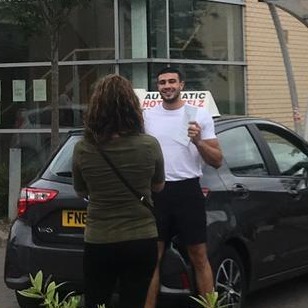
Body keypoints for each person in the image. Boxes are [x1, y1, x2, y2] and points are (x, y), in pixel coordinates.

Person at [72, 74, 165, 308]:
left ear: (95, 107)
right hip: (141, 237)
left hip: (99, 238)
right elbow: (158, 185)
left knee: (97, 300)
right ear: (132, 107)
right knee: (134, 301)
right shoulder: (149, 144)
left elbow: (80, 190)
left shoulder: (84, 148)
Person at [143, 67, 222, 308]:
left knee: (199, 256)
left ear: (182, 85)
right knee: (152, 259)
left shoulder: (198, 115)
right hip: (157, 192)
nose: (167, 86)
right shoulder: (147, 117)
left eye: (171, 82)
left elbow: (217, 160)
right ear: (157, 87)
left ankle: (209, 306)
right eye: (162, 82)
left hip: (188, 191)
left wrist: (197, 141)